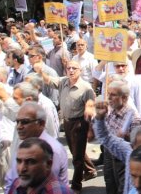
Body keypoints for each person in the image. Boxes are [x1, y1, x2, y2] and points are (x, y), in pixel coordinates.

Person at [35, 60, 96, 192]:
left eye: (74, 68)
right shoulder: (63, 81)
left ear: (80, 70)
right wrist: (40, 71)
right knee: (76, 151)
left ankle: (76, 185)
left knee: (77, 158)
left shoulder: (86, 88)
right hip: (67, 122)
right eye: (69, 68)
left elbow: (90, 105)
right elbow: (49, 80)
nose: (71, 70)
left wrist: (90, 123)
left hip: (80, 123)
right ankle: (90, 169)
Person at [5, 102, 68, 191]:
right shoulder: (25, 145)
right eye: (17, 122)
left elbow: (43, 185)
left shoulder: (52, 149)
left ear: (41, 124)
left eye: (25, 122)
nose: (19, 127)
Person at [7, 138, 72, 194]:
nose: (22, 168)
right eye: (19, 161)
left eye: (30, 162)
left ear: (48, 164)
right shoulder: (17, 183)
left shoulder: (58, 192)